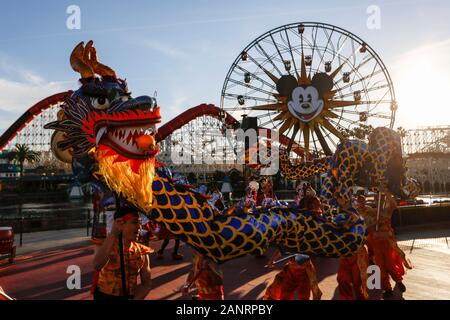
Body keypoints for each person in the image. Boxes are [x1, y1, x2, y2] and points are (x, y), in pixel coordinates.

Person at [92, 206, 153, 300]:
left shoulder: (142, 251)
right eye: (134, 222)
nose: (139, 227)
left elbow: (147, 284)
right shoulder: (104, 244)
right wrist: (113, 234)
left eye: (140, 223)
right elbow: (97, 265)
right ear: (120, 223)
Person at [368, 190, 412, 295]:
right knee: (380, 267)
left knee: (390, 264)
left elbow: (393, 203)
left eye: (381, 198)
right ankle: (387, 289)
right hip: (377, 243)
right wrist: (375, 223)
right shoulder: (372, 212)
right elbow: (367, 225)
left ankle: (398, 280)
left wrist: (387, 191)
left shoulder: (387, 211)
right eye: (377, 198)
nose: (379, 200)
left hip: (387, 242)